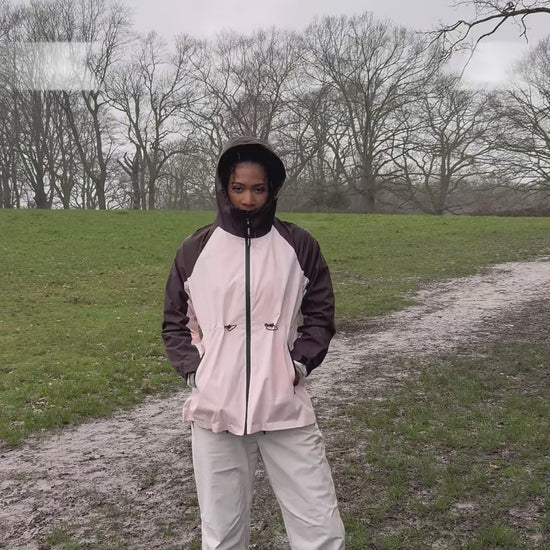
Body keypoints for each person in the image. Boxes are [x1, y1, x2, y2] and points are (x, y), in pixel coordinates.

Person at [162, 136, 345, 550]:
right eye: (238, 188)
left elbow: (320, 314)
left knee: (320, 527)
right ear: (223, 188)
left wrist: (297, 364)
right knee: (222, 535)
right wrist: (197, 373)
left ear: (272, 188)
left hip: (284, 406)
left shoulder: (298, 245)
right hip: (216, 411)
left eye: (258, 189)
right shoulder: (195, 249)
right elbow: (176, 322)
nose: (248, 199)